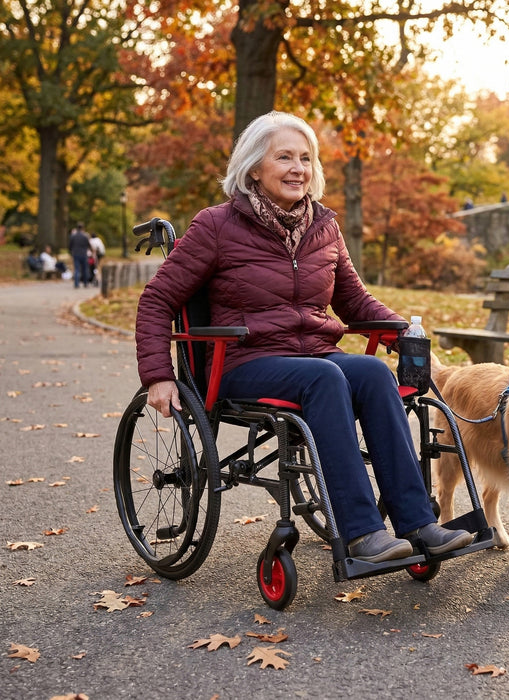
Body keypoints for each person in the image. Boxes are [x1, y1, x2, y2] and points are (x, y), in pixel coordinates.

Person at [135, 111, 472, 564]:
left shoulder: (323, 227)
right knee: (325, 379)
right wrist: (158, 375)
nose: (299, 168)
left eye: (306, 158)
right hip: (243, 361)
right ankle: (361, 533)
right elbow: (157, 299)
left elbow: (355, 302)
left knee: (372, 371)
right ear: (254, 167)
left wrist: (403, 334)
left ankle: (417, 523)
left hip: (313, 355)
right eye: (285, 157)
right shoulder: (215, 226)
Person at [68, 223, 93, 288]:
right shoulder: (85, 236)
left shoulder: (73, 236)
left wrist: (71, 252)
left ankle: (76, 283)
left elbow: (70, 246)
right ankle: (85, 283)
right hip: (84, 254)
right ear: (82, 228)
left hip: (76, 254)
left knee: (77, 269)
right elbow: (89, 245)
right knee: (85, 269)